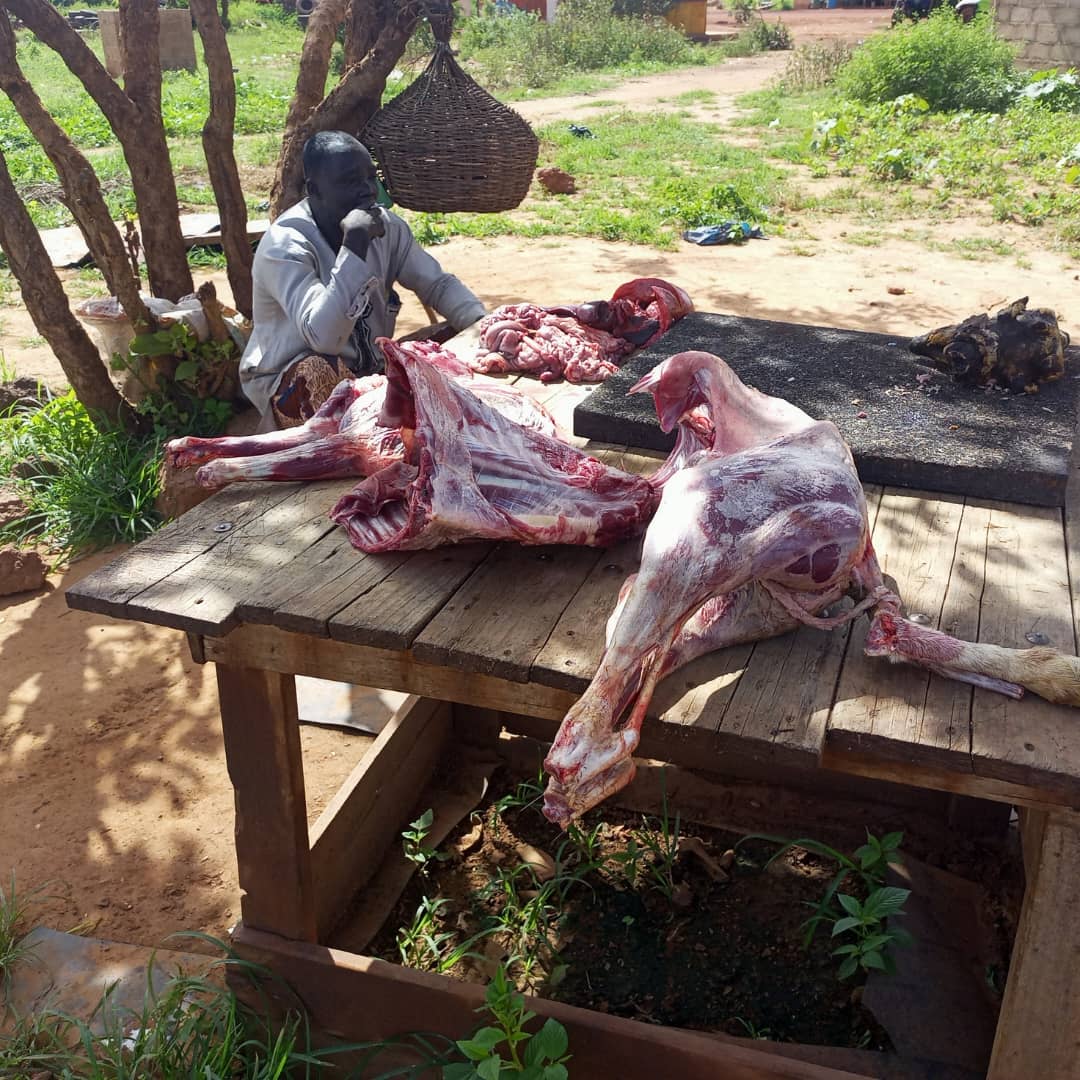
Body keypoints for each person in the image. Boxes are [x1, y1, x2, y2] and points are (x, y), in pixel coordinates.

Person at [239, 130, 486, 428]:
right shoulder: (284, 246)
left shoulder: (387, 227)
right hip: (293, 382)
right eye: (350, 181)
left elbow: (437, 284)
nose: (367, 190)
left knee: (457, 337)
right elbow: (325, 339)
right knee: (318, 371)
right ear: (314, 190)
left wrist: (486, 328)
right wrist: (354, 245)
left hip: (369, 371)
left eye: (371, 178)